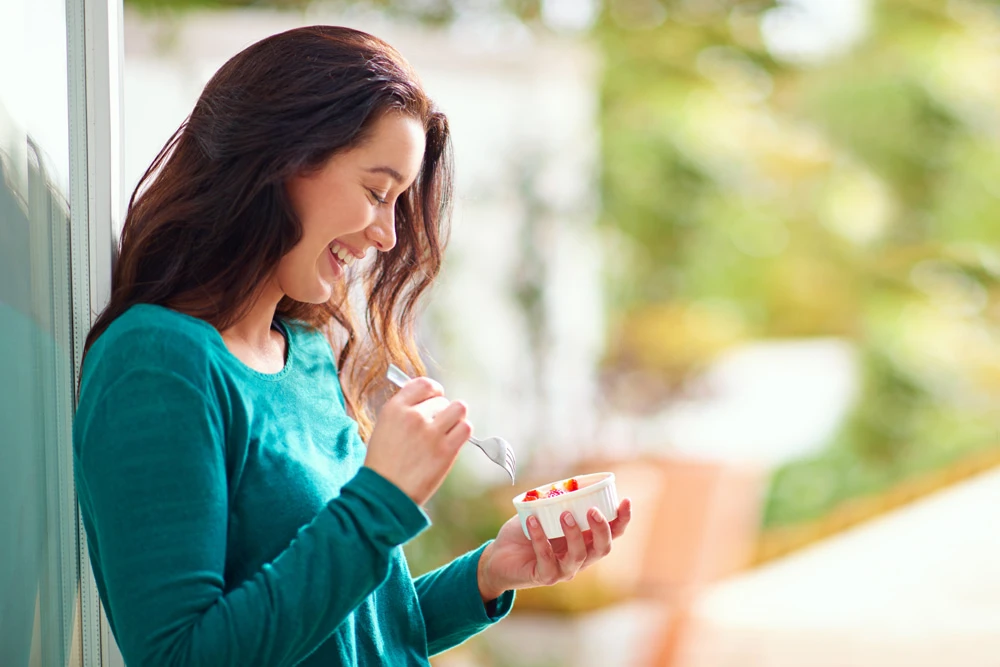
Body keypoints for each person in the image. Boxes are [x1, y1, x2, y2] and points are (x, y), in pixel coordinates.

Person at [73, 25, 631, 666]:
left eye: (397, 203)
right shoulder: (158, 363)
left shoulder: (304, 353)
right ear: (282, 160)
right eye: (376, 192)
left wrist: (489, 573)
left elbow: (353, 634)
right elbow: (185, 656)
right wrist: (384, 498)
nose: (390, 236)